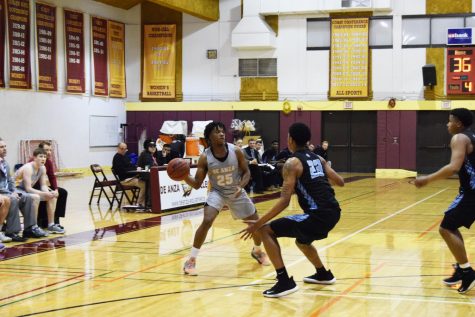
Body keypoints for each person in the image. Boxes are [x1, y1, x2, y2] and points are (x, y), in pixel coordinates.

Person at [241, 123, 344, 298]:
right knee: (302, 241)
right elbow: (340, 181)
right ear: (307, 140)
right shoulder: (319, 159)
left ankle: (284, 282)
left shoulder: (292, 163)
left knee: (265, 230)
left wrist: (258, 223)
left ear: (290, 140)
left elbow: (284, 201)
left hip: (317, 216)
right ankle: (323, 274)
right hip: (334, 212)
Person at [182, 121, 270, 275]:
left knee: (256, 225)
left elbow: (247, 172)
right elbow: (196, 184)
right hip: (217, 192)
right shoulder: (205, 157)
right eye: (217, 132)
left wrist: (241, 186)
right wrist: (184, 176)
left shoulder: (236, 151)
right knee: (207, 220)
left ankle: (257, 251)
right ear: (209, 137)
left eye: (222, 131)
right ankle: (191, 260)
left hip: (236, 191)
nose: (222, 134)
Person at [414, 108, 475, 294]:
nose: (447, 124)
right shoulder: (471, 136)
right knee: (451, 226)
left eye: (449, 121)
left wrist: (427, 179)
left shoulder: (459, 138)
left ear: (458, 123)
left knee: (445, 228)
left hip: (471, 192)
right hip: (469, 191)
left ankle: (467, 272)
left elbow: (453, 167)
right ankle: (461, 267)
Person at [0, 138, 43, 240]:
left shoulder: (5, 163)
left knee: (27, 197)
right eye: (1, 147)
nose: (5, 149)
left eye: (5, 146)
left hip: (8, 191)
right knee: (13, 199)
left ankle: (29, 229)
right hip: (2, 193)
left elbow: (10, 180)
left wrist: (14, 191)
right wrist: (10, 193)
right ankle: (12, 232)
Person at [16, 148, 64, 234]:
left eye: (44, 157)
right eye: (40, 156)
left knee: (52, 197)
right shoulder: (28, 168)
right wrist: (44, 193)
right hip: (17, 190)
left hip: (26, 191)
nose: (43, 159)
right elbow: (28, 189)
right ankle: (34, 226)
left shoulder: (42, 168)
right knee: (36, 197)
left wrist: (49, 193)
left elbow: (43, 185)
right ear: (34, 158)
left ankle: (51, 225)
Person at [35, 141, 68, 229]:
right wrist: (48, 191)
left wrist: (56, 189)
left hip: (43, 186)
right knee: (50, 195)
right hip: (34, 187)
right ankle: (42, 221)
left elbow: (52, 177)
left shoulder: (49, 162)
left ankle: (55, 220)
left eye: (50, 150)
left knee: (62, 192)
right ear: (40, 150)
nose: (49, 152)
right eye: (47, 150)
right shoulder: (33, 162)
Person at [112, 143, 146, 207]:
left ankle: (146, 202)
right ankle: (140, 203)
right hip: (125, 180)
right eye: (122, 149)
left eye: (125, 149)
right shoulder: (116, 158)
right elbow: (123, 171)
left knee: (146, 181)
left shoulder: (126, 156)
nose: (124, 150)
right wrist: (135, 171)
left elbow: (130, 166)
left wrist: (136, 168)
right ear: (118, 149)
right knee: (144, 184)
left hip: (131, 178)